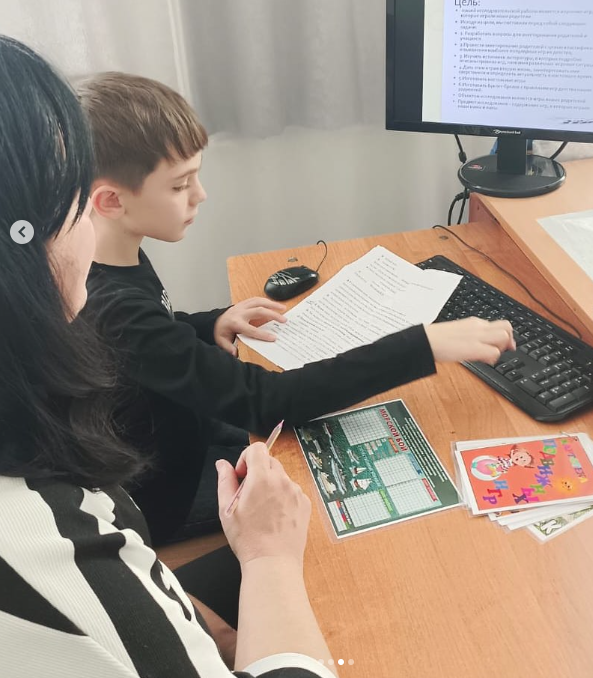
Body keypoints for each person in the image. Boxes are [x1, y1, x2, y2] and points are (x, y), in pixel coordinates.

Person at [0, 33, 344, 678]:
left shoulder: (37, 416)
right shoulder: (46, 539)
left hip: (155, 495)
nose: (87, 229)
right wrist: (267, 561)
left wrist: (205, 325)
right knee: (324, 534)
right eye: (71, 203)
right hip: (168, 491)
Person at [77, 72, 516, 553]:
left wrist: (206, 324)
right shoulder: (113, 308)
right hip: (165, 498)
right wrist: (423, 344)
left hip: (179, 433)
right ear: (111, 201)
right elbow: (269, 402)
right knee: (338, 517)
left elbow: (149, 335)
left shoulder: (103, 259)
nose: (200, 195)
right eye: (181, 185)